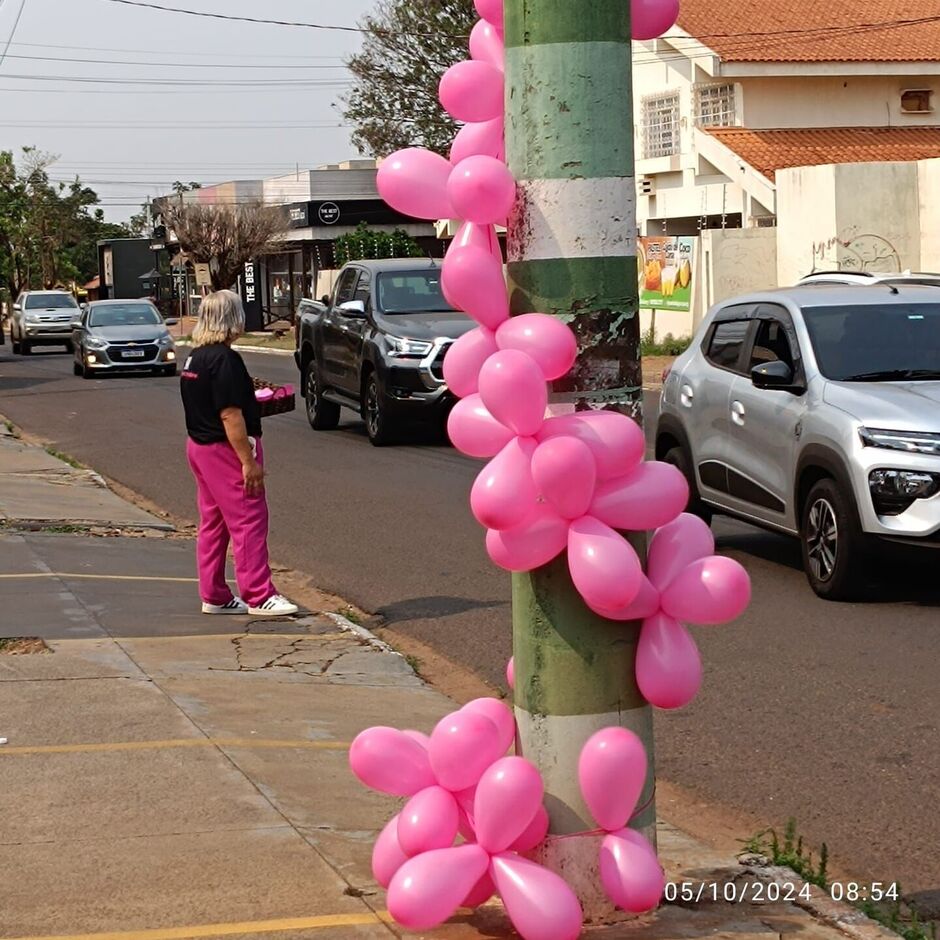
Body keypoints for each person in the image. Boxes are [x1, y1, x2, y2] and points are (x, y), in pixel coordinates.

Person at [180, 289, 298, 617]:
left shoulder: (195, 357)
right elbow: (230, 414)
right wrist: (248, 461)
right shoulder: (225, 359)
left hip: (199, 447)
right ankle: (259, 595)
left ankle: (214, 594)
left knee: (214, 523)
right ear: (232, 318)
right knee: (249, 520)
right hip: (224, 449)